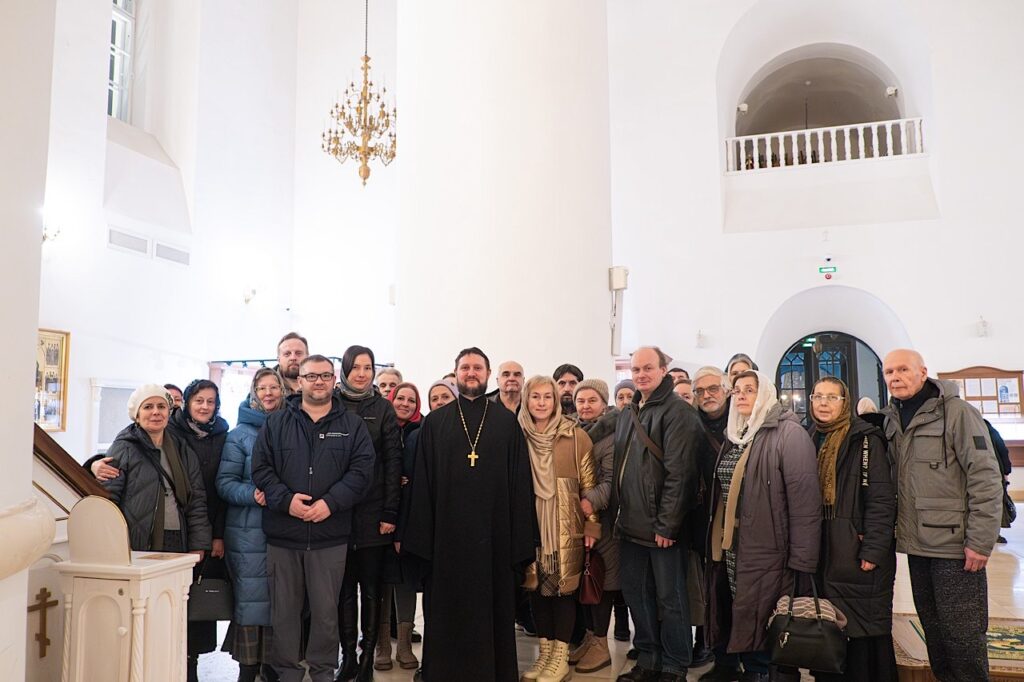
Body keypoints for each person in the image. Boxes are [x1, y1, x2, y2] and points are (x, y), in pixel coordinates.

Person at [402, 347, 535, 682]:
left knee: (493, 611)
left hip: (495, 541)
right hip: (446, 542)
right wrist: (421, 538)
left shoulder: (506, 423)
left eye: (477, 367)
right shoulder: (435, 423)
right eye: (465, 368)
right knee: (445, 612)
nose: (471, 372)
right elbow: (423, 485)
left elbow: (520, 484)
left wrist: (521, 541)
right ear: (456, 373)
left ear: (488, 374)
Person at [251, 354, 375, 682]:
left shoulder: (352, 425)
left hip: (329, 536)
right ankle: (288, 674)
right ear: (299, 381)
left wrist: (330, 503)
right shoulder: (276, 423)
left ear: (334, 380)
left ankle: (323, 673)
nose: (318, 382)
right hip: (284, 535)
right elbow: (261, 469)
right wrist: (286, 501)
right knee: (284, 615)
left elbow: (362, 472)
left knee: (325, 614)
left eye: (324, 376)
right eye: (311, 376)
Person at [880, 349, 1002, 682]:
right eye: (889, 372)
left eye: (903, 369)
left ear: (923, 372)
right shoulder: (891, 418)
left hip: (955, 547)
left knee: (963, 638)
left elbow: (985, 477)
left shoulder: (957, 413)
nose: (895, 377)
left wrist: (980, 540)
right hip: (918, 546)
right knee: (934, 633)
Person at [705, 370, 820, 682]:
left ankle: (765, 674)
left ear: (766, 394)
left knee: (767, 618)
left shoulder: (788, 433)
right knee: (744, 611)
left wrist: (802, 561)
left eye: (749, 389)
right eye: (737, 390)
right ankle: (752, 672)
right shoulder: (737, 434)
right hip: (734, 545)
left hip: (770, 548)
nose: (741, 395)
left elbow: (804, 503)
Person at [102, 384, 212, 682]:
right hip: (140, 544)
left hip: (178, 543)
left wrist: (199, 543)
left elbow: (196, 499)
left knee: (172, 614)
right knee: (143, 615)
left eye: (161, 406)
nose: (156, 412)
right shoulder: (125, 447)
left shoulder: (180, 447)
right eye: (148, 407)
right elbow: (109, 498)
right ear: (136, 413)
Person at [613, 347, 703, 682]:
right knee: (637, 595)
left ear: (664, 370)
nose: (641, 375)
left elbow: (681, 474)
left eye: (648, 368)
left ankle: (675, 663)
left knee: (670, 598)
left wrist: (667, 524)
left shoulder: (678, 412)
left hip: (661, 526)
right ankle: (649, 659)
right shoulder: (630, 411)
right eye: (636, 369)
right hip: (630, 524)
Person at [808, 377, 897, 682]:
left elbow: (881, 499)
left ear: (845, 402)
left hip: (855, 549)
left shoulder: (865, 439)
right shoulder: (809, 437)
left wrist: (873, 549)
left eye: (832, 397)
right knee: (828, 628)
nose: (823, 403)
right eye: (818, 396)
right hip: (824, 548)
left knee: (862, 629)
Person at [517, 375, 600, 682]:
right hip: (530, 523)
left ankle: (560, 658)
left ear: (556, 400)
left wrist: (592, 528)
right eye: (535, 396)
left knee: (563, 590)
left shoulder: (575, 436)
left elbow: (590, 488)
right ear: (526, 400)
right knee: (536, 588)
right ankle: (545, 653)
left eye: (547, 397)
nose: (541, 403)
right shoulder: (516, 435)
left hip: (564, 523)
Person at [335, 345, 403, 682]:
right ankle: (347, 656)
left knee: (372, 591)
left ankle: (367, 660)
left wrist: (390, 511)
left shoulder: (383, 408)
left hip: (374, 514)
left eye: (368, 367)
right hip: (337, 513)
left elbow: (393, 462)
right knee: (343, 591)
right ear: (345, 369)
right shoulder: (331, 403)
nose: (362, 374)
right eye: (356, 367)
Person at [217, 369, 286, 682]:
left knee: (280, 599)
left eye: (274, 387)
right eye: (262, 388)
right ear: (254, 393)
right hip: (247, 532)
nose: (268, 393)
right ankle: (247, 669)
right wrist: (252, 494)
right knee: (251, 599)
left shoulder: (293, 427)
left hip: (283, 528)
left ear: (283, 390)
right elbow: (225, 482)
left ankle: (272, 666)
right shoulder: (239, 435)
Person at [163, 379, 231, 677]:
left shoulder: (223, 435)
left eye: (210, 401)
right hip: (173, 529)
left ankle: (191, 665)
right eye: (199, 400)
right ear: (188, 402)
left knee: (199, 601)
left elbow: (221, 490)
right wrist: (96, 464)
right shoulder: (170, 431)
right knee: (170, 601)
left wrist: (217, 535)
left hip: (208, 526)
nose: (204, 407)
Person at [570, 379, 622, 674]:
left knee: (602, 582)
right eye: (581, 400)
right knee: (587, 579)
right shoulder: (575, 431)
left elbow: (611, 482)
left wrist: (586, 504)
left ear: (604, 403)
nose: (586, 406)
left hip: (604, 522)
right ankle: (590, 639)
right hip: (581, 521)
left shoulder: (613, 435)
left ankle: (601, 644)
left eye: (592, 400)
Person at [377, 382, 423, 673]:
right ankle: (383, 646)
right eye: (400, 398)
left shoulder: (423, 431)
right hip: (380, 514)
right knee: (382, 581)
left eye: (411, 400)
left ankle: (404, 645)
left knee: (406, 580)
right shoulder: (379, 428)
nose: (405, 403)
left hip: (410, 516)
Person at [691, 367, 733, 680]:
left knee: (738, 593)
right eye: (701, 391)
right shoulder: (690, 425)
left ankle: (749, 663)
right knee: (713, 592)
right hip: (702, 522)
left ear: (726, 390)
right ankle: (721, 659)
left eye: (713, 389)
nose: (707, 395)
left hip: (738, 522)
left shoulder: (743, 421)